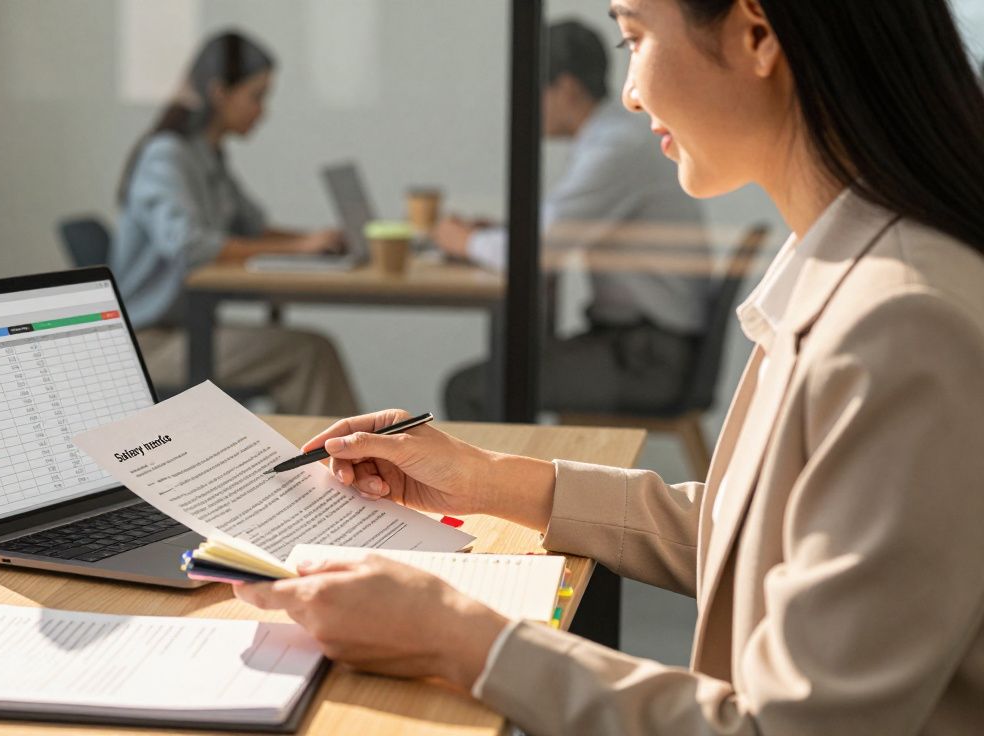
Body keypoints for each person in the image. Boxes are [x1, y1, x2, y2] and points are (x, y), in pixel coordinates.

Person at [236, 1, 984, 732]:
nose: (627, 92)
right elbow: (753, 531)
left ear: (756, 33)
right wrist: (486, 478)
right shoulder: (849, 269)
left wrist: (455, 636)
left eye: (634, 36)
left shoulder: (901, 323)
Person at [436, 20, 710, 420]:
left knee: (473, 389)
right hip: (639, 345)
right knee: (507, 374)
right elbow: (555, 230)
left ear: (565, 88)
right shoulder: (610, 140)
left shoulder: (616, 149)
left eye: (533, 92)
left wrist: (462, 241)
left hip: (646, 359)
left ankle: (502, 484)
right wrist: (495, 234)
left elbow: (540, 249)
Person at [114, 30, 359, 416]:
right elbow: (191, 246)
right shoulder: (167, 156)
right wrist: (299, 248)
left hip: (189, 330)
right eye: (256, 96)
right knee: (310, 353)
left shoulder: (207, 154)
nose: (263, 111)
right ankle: (342, 471)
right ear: (219, 93)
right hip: (148, 344)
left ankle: (332, 467)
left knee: (309, 350)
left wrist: (314, 240)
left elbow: (252, 228)